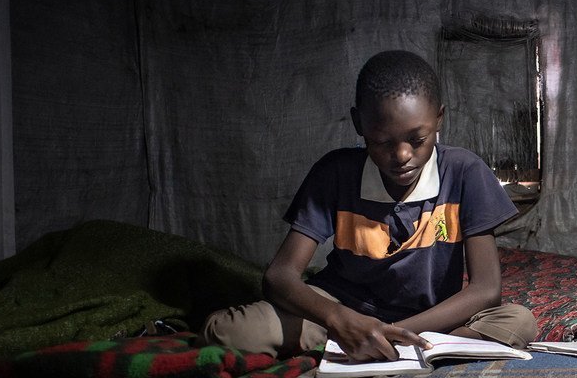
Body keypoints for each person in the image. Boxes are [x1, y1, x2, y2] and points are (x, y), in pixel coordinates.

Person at [201, 50, 537, 361]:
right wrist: (342, 319)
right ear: (359, 124)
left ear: (439, 118)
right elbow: (279, 276)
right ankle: (404, 349)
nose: (403, 155)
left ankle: (385, 348)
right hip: (345, 312)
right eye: (382, 142)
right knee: (226, 331)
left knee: (518, 322)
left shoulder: (464, 172)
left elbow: (486, 289)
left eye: (417, 140)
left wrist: (398, 332)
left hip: (428, 317)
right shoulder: (335, 172)